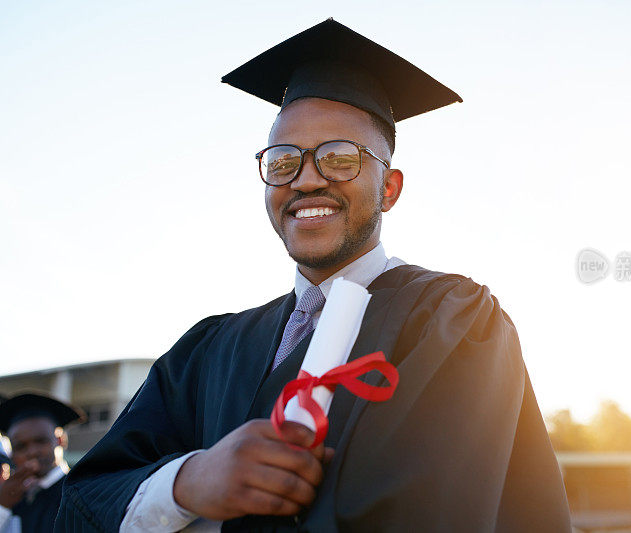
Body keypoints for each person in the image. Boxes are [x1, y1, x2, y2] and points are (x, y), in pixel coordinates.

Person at [56, 19, 571, 532]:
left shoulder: (450, 322)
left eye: (340, 158)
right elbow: (83, 502)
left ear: (389, 188)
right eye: (283, 162)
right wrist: (189, 482)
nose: (306, 179)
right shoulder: (208, 351)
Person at [0, 393, 85, 532]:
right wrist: (3, 506)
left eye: (40, 441)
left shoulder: (80, 493)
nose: (32, 452)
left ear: (60, 440)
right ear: (11, 453)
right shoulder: (13, 500)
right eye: (20, 446)